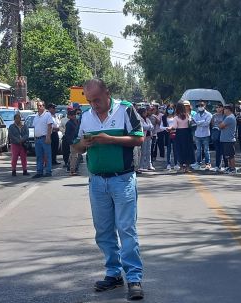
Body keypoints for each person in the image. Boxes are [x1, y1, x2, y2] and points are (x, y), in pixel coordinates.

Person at [73, 79, 144, 301]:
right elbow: (75, 146)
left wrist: (110, 139)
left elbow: (139, 138)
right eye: (90, 100)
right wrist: (83, 144)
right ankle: (113, 273)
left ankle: (134, 277)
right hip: (97, 182)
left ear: (107, 93)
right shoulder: (85, 117)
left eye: (97, 100)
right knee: (103, 230)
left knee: (126, 228)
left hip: (122, 179)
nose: (94, 104)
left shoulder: (125, 109)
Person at [31, 101, 53, 178]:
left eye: (40, 106)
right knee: (39, 156)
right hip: (37, 138)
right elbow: (35, 128)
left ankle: (48, 171)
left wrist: (48, 137)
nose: (39, 107)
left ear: (44, 106)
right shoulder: (36, 116)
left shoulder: (47, 114)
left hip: (44, 138)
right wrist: (34, 138)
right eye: (38, 105)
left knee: (47, 155)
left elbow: (49, 126)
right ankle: (39, 172)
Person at [170, 101, 193, 173]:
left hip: (179, 134)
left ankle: (181, 167)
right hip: (187, 133)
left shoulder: (176, 117)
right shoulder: (187, 115)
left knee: (180, 149)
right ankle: (187, 167)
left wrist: (169, 128)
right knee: (188, 149)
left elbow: (175, 126)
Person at [193, 100, 212, 170]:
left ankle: (208, 163)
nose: (200, 107)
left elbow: (207, 123)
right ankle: (198, 163)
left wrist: (198, 122)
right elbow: (193, 123)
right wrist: (202, 121)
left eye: (201, 106)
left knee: (206, 150)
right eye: (199, 106)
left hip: (205, 134)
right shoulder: (196, 114)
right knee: (198, 150)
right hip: (197, 134)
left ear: (204, 106)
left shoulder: (209, 114)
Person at [8, 112, 29, 176]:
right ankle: (13, 170)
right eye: (16, 118)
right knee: (14, 158)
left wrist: (22, 139)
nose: (18, 119)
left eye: (19, 118)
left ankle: (25, 170)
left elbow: (27, 134)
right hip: (15, 144)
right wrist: (17, 140)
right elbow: (11, 135)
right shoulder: (11, 126)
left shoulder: (24, 126)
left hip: (23, 144)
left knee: (24, 158)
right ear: (14, 119)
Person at [219, 104, 237, 174]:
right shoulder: (227, 117)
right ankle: (230, 168)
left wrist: (222, 125)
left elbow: (220, 126)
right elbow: (222, 126)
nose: (223, 110)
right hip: (226, 139)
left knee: (230, 155)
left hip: (229, 139)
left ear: (228, 110)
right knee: (228, 155)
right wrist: (223, 126)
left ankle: (233, 169)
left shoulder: (229, 117)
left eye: (225, 109)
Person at [138, 107, 154, 171]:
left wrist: (149, 127)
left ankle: (149, 165)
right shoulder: (140, 119)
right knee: (143, 152)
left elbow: (152, 127)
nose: (146, 113)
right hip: (143, 137)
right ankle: (141, 166)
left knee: (148, 151)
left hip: (149, 137)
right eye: (144, 112)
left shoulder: (147, 119)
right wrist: (149, 127)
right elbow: (143, 127)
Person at [62, 110, 78, 174]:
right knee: (74, 156)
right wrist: (70, 142)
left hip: (76, 141)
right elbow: (67, 134)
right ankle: (72, 170)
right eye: (72, 115)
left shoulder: (76, 122)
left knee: (72, 156)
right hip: (72, 141)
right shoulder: (69, 123)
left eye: (74, 115)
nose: (74, 116)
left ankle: (70, 167)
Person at [211, 104, 225, 171]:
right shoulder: (214, 115)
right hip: (215, 133)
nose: (218, 108)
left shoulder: (224, 115)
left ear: (222, 108)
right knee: (217, 150)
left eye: (219, 107)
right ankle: (217, 166)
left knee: (223, 150)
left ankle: (225, 166)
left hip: (222, 133)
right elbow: (212, 124)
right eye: (217, 107)